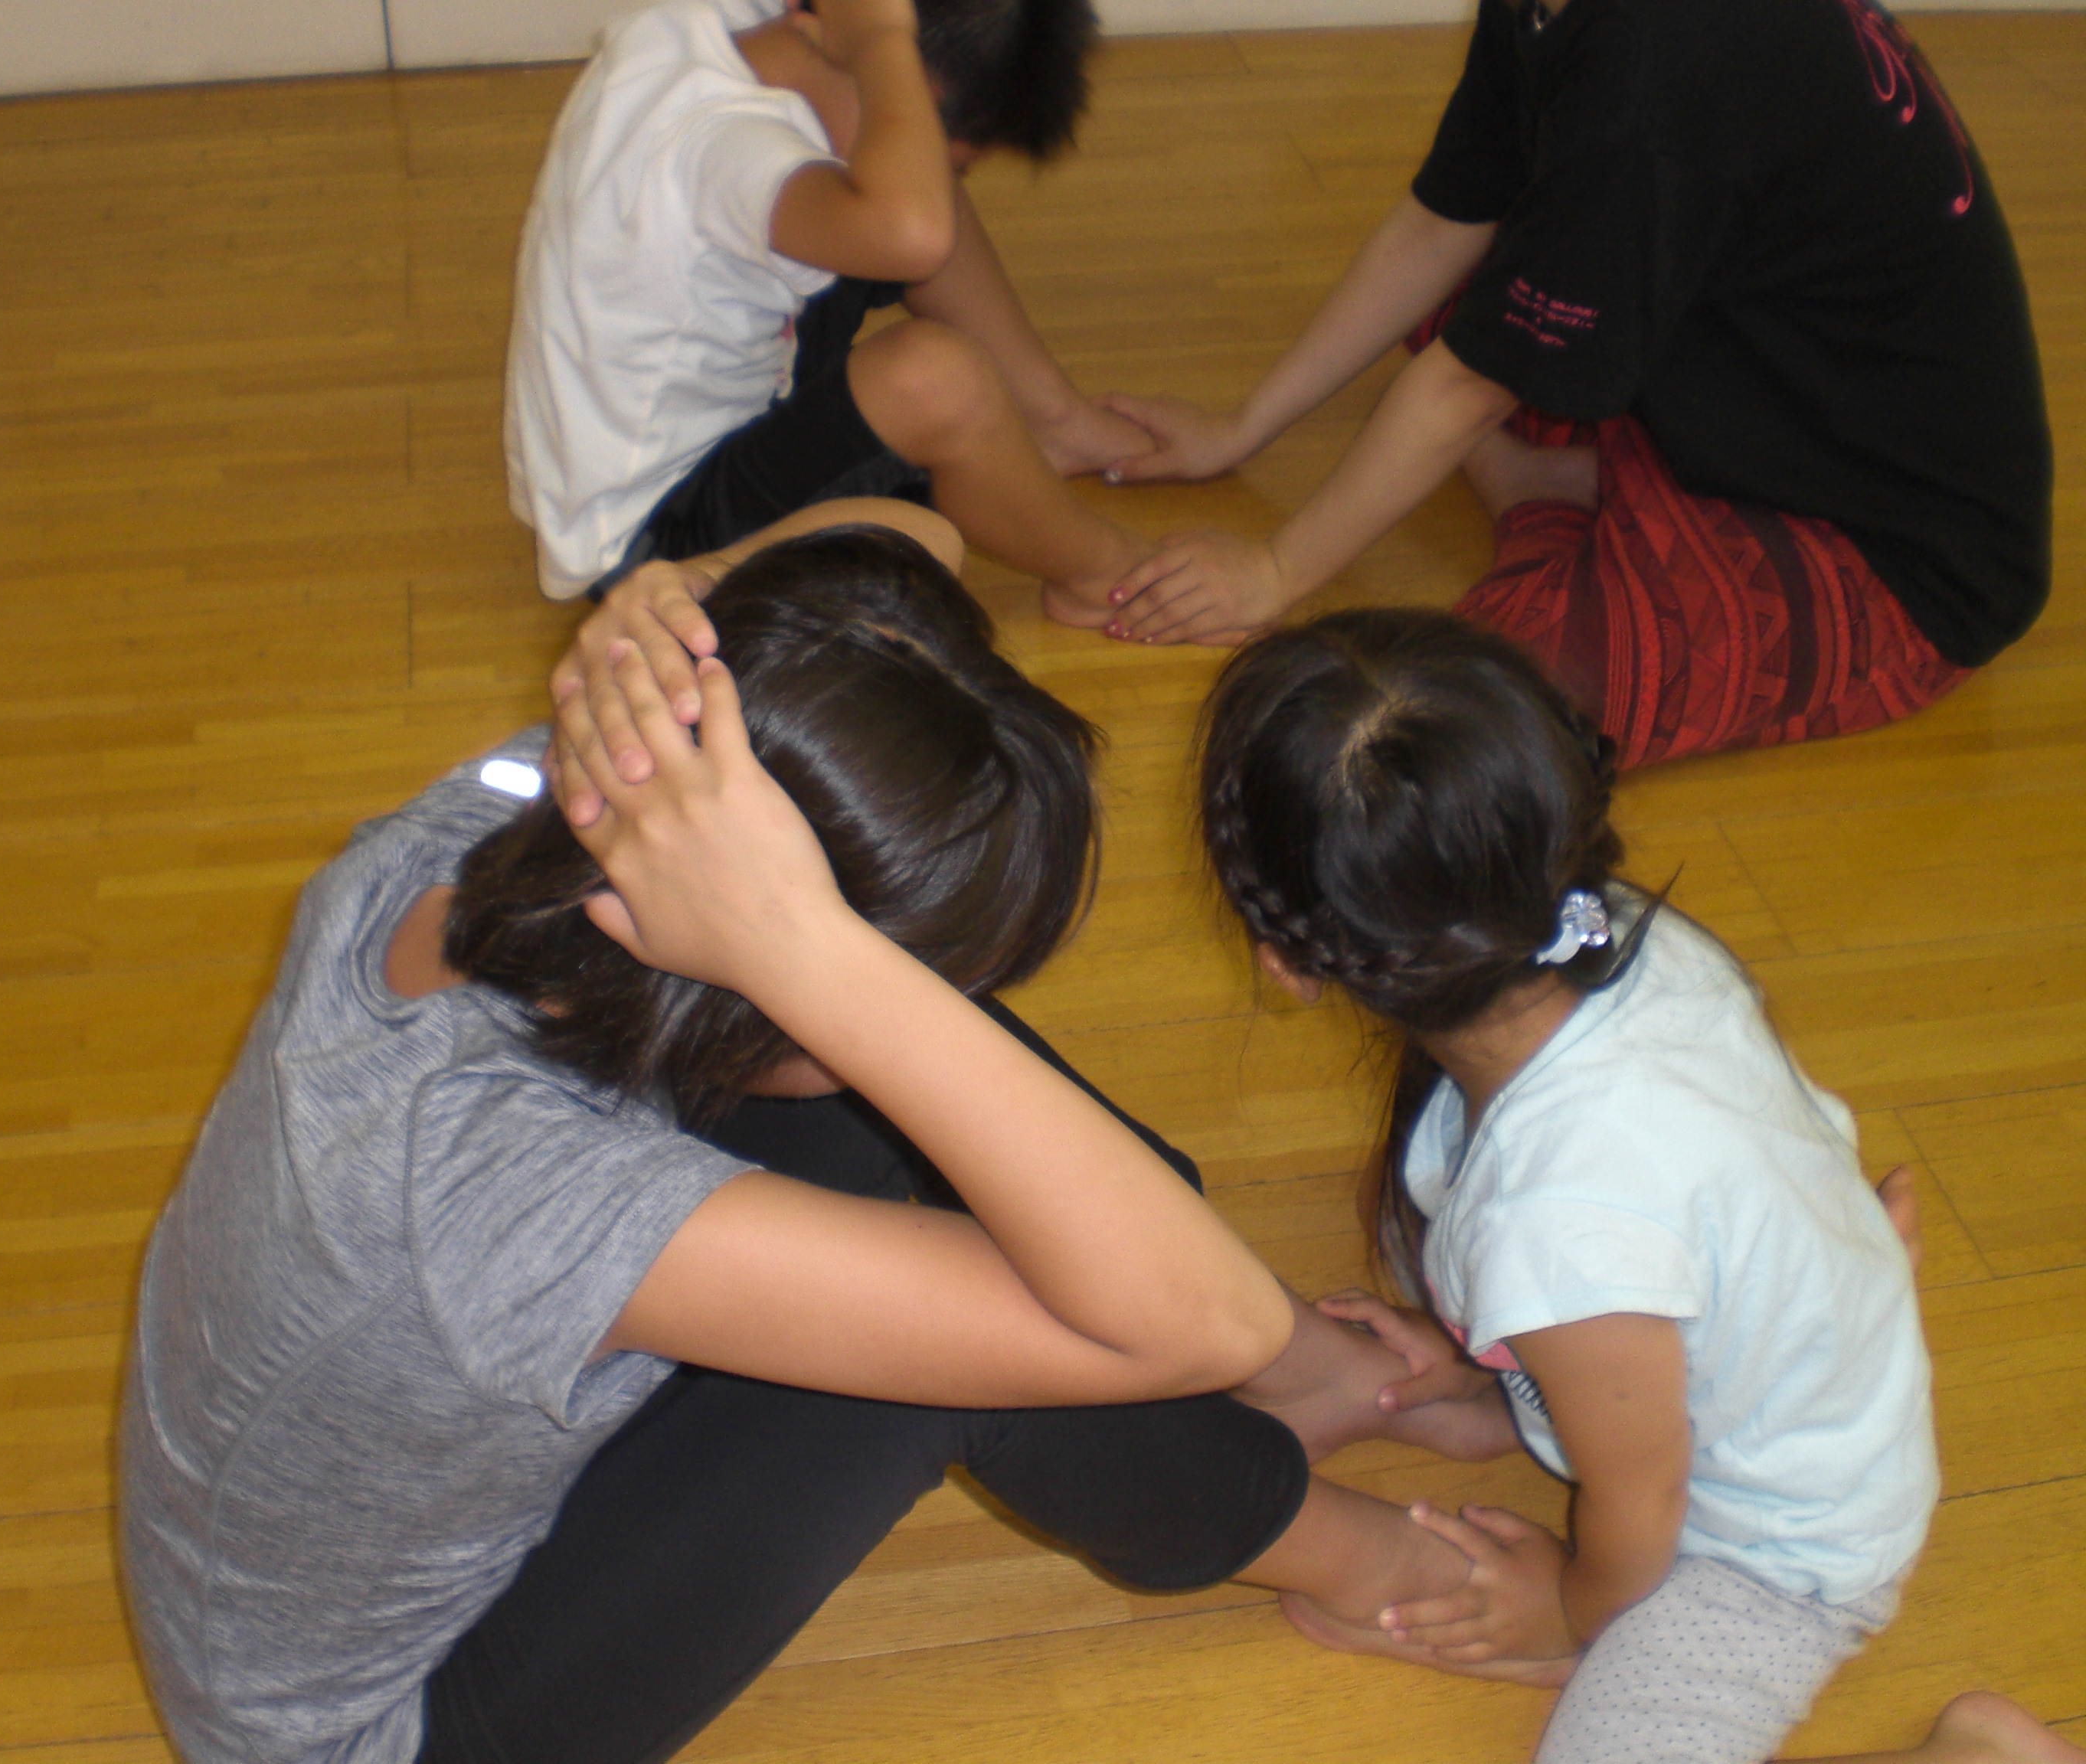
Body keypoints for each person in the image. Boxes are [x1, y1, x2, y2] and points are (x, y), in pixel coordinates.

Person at [119, 504, 1507, 1764]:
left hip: (366, 1470)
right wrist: (821, 959)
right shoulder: (511, 1201)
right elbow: (1189, 1318)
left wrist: (676, 593)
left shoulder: (549, 804)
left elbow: (914, 538)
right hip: (379, 1728)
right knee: (971, 1338)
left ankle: (1315, 1376)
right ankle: (1382, 1573)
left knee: (976, 1127)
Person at [1191, 606, 2085, 1764]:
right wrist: (1500, 1369)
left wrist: (1571, 1610)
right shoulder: (1614, 936)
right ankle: (1527, 1394)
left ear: (1292, 962)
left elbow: (1644, 1500)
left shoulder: (1562, 1231)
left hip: (1775, 1549)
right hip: (1722, 1374)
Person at [1099, 0, 2052, 769]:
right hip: (1751, 391)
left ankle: (1555, 498)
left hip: (1892, 559)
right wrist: (1242, 428)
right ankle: (1584, 492)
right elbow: (1446, 218)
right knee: (1469, 303)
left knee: (1470, 714)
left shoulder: (1656, 63)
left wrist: (1277, 571)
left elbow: (1469, 387)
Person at [504, 0, 1153, 623]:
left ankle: (1056, 422)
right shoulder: (721, 144)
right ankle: (1109, 575)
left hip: (709, 429)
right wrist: (881, 44)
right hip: (658, 549)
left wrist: (879, 49)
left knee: (912, 181)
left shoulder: (721, 33)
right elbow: (913, 233)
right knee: (933, 374)